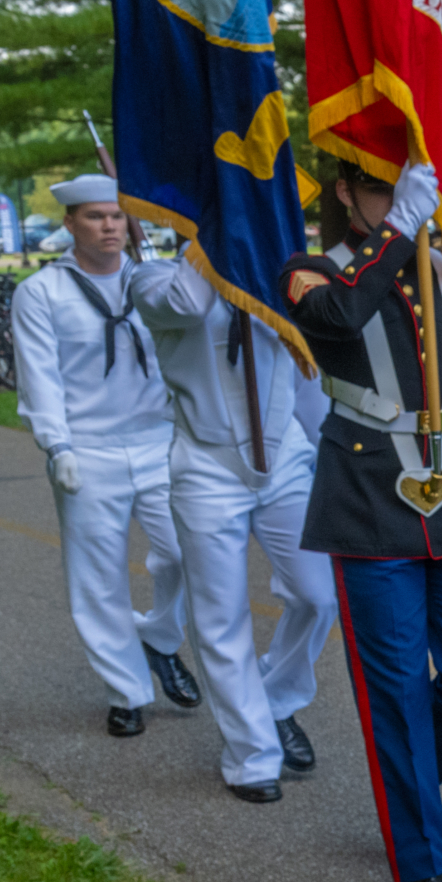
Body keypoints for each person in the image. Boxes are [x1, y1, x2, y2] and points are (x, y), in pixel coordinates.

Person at [282, 162, 442, 882]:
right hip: (368, 499)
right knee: (397, 689)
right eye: (379, 187)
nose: (397, 201)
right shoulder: (313, 271)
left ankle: (404, 783)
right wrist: (399, 227)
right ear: (346, 191)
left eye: (405, 187)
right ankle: (421, 860)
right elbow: (340, 321)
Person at [132, 238, 339, 804]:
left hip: (285, 459)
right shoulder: (152, 278)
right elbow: (189, 305)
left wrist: (328, 452)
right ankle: (251, 754)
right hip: (207, 465)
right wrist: (213, 233)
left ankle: (273, 701)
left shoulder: (276, 272)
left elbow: (306, 373)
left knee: (319, 596)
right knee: (221, 615)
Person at [11, 174, 200, 737]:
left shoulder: (152, 280)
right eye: (95, 216)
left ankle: (160, 639)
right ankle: (127, 689)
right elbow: (38, 375)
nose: (110, 225)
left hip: (160, 441)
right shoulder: (42, 292)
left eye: (117, 215)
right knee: (97, 578)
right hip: (87, 450)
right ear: (69, 223)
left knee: (189, 553)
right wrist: (56, 444)